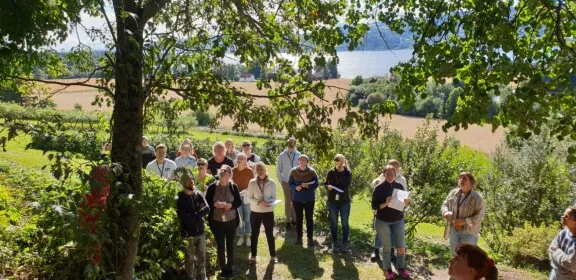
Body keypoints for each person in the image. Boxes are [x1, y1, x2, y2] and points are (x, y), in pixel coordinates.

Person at [372, 165, 410, 279]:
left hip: (398, 220)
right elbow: (374, 206)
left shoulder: (399, 186)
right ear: (384, 175)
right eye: (387, 174)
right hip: (383, 221)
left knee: (401, 246)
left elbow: (403, 205)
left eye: (392, 174)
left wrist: (406, 202)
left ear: (395, 175)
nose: (389, 176)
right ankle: (387, 270)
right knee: (387, 247)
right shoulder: (378, 188)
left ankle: (401, 268)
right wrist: (385, 203)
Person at [205, 165, 242, 279]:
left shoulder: (233, 186)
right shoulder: (212, 187)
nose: (224, 174)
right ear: (219, 174)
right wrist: (214, 204)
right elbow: (206, 202)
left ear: (230, 175)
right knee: (220, 246)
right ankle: (223, 269)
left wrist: (231, 205)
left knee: (230, 245)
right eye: (222, 172)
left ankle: (230, 268)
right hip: (217, 221)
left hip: (231, 221)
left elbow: (238, 202)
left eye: (226, 172)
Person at [441, 172, 485, 255]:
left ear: (471, 181)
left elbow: (479, 216)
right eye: (460, 178)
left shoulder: (477, 198)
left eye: (464, 178)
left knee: (467, 259)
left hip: (469, 233)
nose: (461, 180)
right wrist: (445, 212)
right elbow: (445, 204)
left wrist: (464, 221)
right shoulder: (453, 193)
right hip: (454, 230)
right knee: (455, 257)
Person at [176, 170, 210, 280]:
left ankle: (202, 277)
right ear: (183, 183)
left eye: (192, 179)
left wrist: (194, 214)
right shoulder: (180, 198)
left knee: (202, 257)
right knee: (189, 259)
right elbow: (185, 218)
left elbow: (207, 208)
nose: (191, 181)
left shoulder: (198, 194)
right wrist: (199, 213)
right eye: (188, 180)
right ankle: (190, 277)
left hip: (200, 231)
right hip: (188, 234)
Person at [247, 162, 278, 263]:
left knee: (269, 234)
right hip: (255, 212)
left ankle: (273, 255)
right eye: (258, 169)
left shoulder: (272, 182)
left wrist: (269, 203)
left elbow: (274, 198)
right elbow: (249, 198)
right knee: (254, 234)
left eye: (262, 169)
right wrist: (259, 202)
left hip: (268, 212)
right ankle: (253, 256)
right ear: (255, 170)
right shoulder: (252, 182)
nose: (260, 171)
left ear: (265, 170)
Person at [289, 154, 319, 248]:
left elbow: (316, 184)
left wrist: (309, 186)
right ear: (298, 161)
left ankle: (310, 238)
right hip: (297, 198)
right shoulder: (293, 171)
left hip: (309, 198)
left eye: (304, 160)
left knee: (309, 219)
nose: (302, 161)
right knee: (299, 218)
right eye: (300, 160)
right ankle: (299, 237)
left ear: (307, 162)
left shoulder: (312, 171)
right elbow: (290, 183)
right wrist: (295, 187)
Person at [324, 154, 352, 253]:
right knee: (334, 223)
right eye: (337, 160)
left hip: (344, 202)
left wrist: (342, 172)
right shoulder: (330, 172)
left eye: (340, 161)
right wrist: (328, 187)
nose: (338, 163)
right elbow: (326, 183)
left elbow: (346, 185)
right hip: (332, 201)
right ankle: (334, 243)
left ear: (344, 162)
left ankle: (345, 243)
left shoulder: (347, 173)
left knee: (344, 223)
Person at [277, 137, 300, 229]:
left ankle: (294, 219)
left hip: (296, 182)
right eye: (290, 143)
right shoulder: (282, 155)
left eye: (293, 143)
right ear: (287, 144)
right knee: (287, 201)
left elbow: (301, 167)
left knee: (295, 200)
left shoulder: (299, 155)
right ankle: (288, 220)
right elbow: (278, 169)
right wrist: (281, 181)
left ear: (295, 144)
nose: (291, 144)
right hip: (286, 181)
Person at [232, 154, 255, 247]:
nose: (239, 160)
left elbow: (253, 184)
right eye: (238, 158)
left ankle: (248, 236)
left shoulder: (249, 171)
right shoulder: (233, 171)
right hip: (236, 197)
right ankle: (241, 236)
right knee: (240, 218)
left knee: (247, 217)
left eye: (241, 159)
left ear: (245, 161)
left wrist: (247, 191)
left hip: (246, 196)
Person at [549, 207, 576, 280]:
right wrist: (563, 268)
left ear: (575, 221)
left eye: (566, 216)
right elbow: (551, 248)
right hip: (554, 275)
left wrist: (556, 252)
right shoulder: (563, 233)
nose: (563, 217)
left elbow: (570, 264)